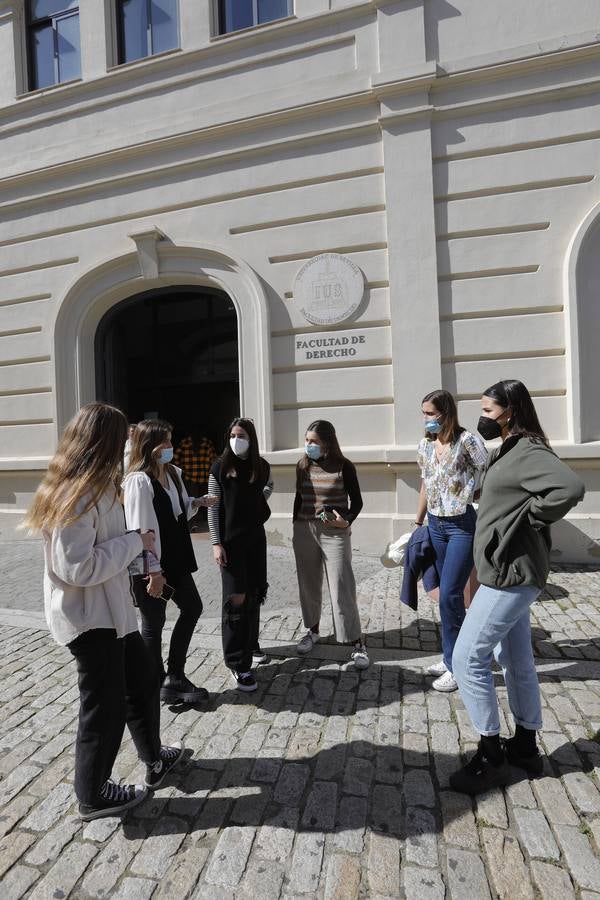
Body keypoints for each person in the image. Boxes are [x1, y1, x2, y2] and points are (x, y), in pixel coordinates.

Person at [23, 403, 184, 821]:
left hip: (114, 614)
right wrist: (136, 542)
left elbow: (108, 547)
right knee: (103, 706)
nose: (128, 446)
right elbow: (77, 566)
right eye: (122, 439)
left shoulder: (100, 486)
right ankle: (92, 793)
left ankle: (153, 758)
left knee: (145, 677)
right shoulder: (74, 494)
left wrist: (138, 551)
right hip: (90, 619)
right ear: (103, 442)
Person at [450, 380, 585, 794]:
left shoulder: (527, 450)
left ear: (509, 411)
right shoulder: (506, 449)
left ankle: (491, 755)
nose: (482, 418)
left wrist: (532, 516)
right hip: (504, 570)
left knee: (467, 658)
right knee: (516, 660)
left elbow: (571, 487)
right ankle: (526, 745)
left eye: (488, 411)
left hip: (510, 573)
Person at [123, 419, 216, 704]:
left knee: (192, 608)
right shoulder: (139, 481)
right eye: (164, 442)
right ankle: (155, 682)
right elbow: (140, 528)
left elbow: (178, 510)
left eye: (170, 441)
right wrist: (153, 571)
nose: (170, 447)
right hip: (154, 566)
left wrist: (198, 503)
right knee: (154, 621)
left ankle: (174, 675)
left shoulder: (172, 473)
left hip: (175, 560)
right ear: (149, 445)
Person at [415, 390, 487, 691]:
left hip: (461, 526)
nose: (427, 419)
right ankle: (450, 658)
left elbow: (490, 468)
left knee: (450, 596)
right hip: (436, 525)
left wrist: (480, 495)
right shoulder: (425, 445)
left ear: (446, 413)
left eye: (431, 414)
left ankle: (460, 666)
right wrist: (417, 522)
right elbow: (425, 483)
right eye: (425, 414)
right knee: (449, 597)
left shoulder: (467, 440)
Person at [292, 420, 369, 669]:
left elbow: (357, 502)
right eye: (307, 440)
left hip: (334, 532)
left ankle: (356, 642)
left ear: (327, 442)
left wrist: (345, 522)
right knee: (309, 584)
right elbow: (299, 498)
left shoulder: (344, 467)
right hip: (305, 530)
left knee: (341, 584)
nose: (309, 445)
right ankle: (312, 631)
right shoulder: (302, 465)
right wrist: (296, 527)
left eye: (313, 441)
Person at [208, 417, 273, 691]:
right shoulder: (220, 468)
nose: (236, 439)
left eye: (242, 435)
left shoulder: (261, 466)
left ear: (251, 438)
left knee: (255, 593)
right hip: (230, 544)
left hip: (255, 541)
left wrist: (260, 499)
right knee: (236, 598)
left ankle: (251, 643)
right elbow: (212, 507)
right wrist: (215, 543)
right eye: (233, 434)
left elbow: (269, 487)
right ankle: (237, 662)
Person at [173, 426, 218, 530]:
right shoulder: (185, 443)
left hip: (204, 478)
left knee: (206, 500)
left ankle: (209, 522)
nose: (196, 435)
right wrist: (181, 471)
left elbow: (213, 459)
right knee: (192, 501)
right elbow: (175, 458)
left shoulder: (207, 443)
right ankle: (194, 522)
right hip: (190, 478)